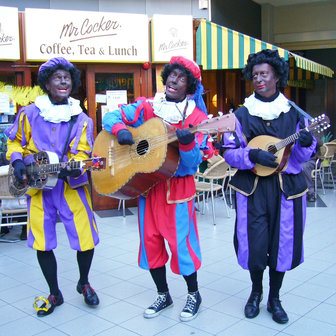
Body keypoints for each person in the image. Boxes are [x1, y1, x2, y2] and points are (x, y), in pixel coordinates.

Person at [103, 56, 214, 322]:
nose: (174, 81)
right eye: (172, 76)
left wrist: (186, 145)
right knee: (150, 244)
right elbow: (111, 116)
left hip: (177, 192)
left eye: (182, 78)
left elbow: (190, 166)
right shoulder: (147, 106)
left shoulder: (198, 118)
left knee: (182, 246)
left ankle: (193, 294)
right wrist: (120, 130)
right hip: (147, 189)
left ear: (190, 86)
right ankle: (163, 294)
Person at [222, 49, 316, 324]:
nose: (259, 79)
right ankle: (255, 292)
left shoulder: (295, 114)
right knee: (255, 243)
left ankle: (275, 297)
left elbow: (300, 157)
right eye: (255, 75)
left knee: (281, 243)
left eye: (264, 74)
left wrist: (306, 145)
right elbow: (229, 152)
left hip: (285, 188)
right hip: (253, 189)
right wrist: (250, 155)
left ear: (277, 76)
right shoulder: (240, 114)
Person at [6, 57, 99, 316]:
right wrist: (18, 161)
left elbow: (84, 152)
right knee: (43, 242)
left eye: (67, 77)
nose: (62, 81)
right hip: (38, 188)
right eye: (57, 77)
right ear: (46, 83)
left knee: (86, 239)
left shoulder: (81, 119)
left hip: (70, 186)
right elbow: (15, 143)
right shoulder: (29, 113)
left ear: (73, 83)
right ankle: (55, 292)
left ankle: (84, 282)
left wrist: (76, 166)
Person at [302, 134, 323, 202]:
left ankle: (311, 193)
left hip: (312, 160)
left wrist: (311, 136)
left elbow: (320, 143)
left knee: (304, 166)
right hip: (300, 159)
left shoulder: (314, 133)